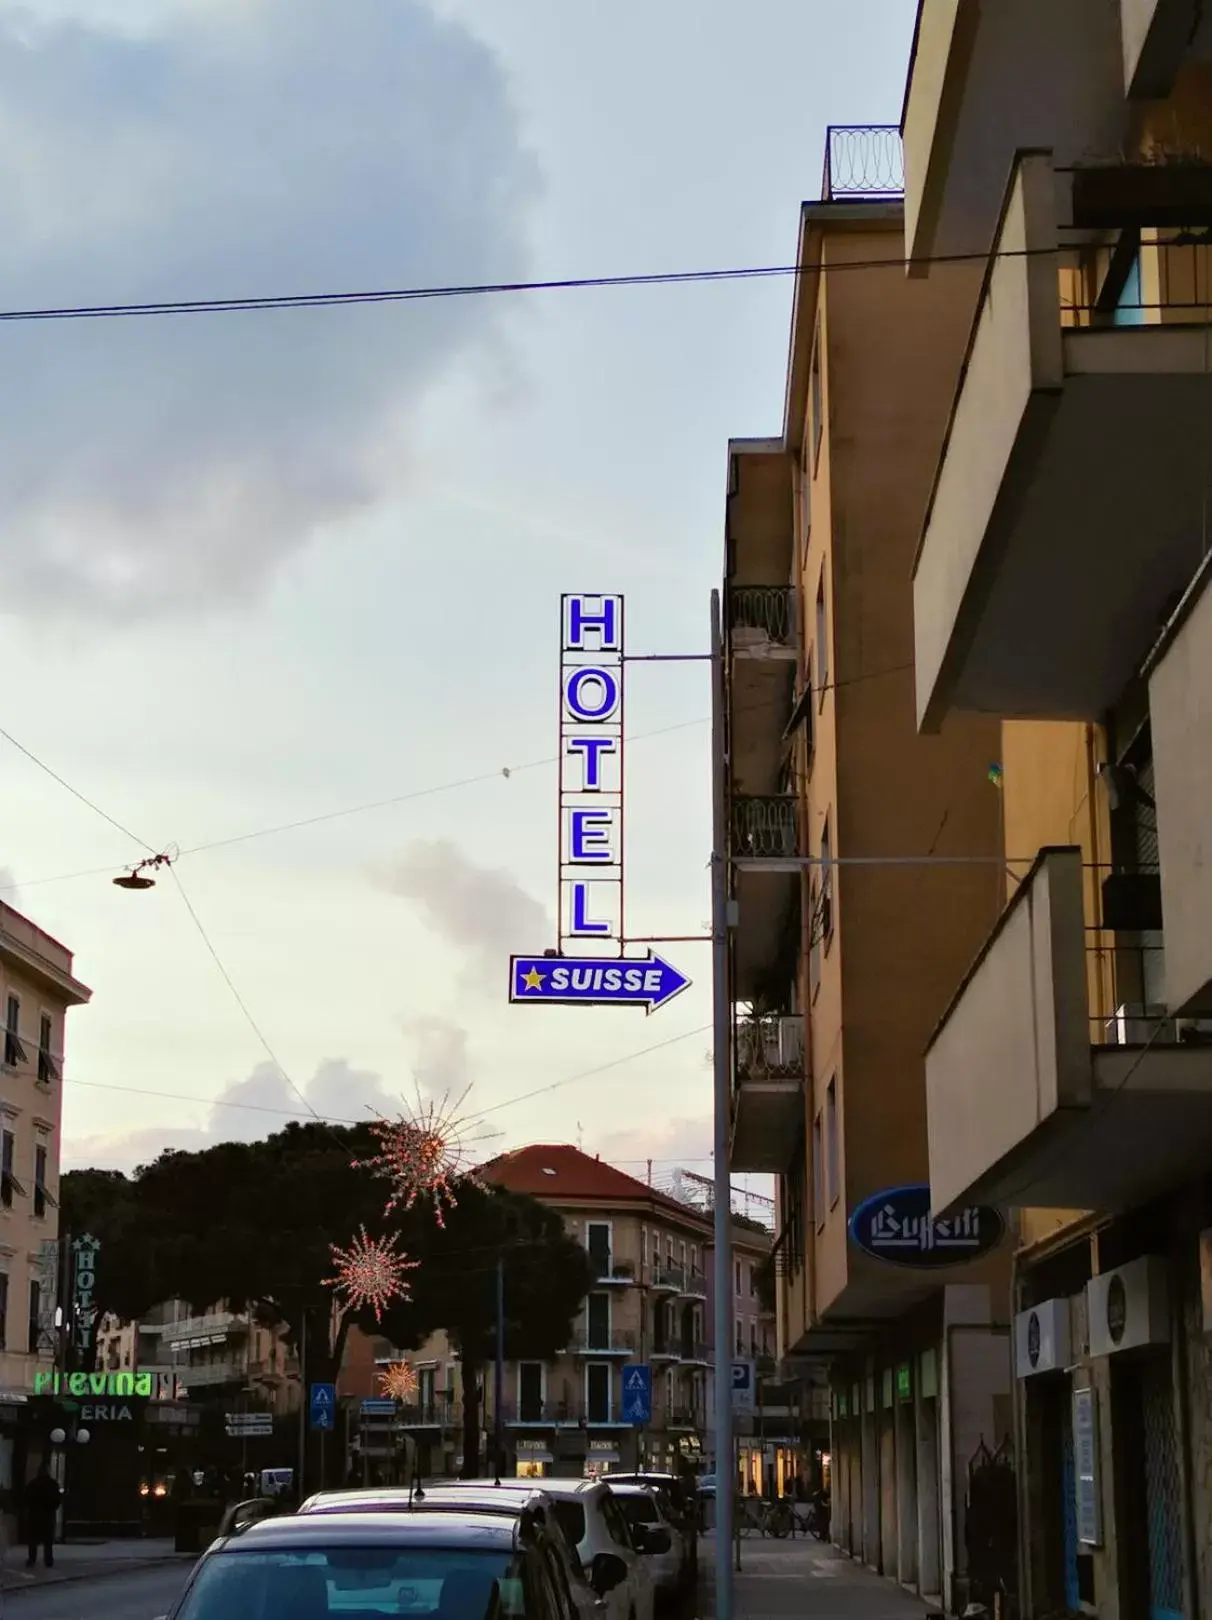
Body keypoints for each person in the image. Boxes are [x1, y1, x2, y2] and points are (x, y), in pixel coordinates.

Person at [24, 1464, 61, 1569]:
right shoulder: (52, 1484)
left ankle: (32, 1559)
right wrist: (51, 1508)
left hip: (35, 1515)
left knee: (33, 1540)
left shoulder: (33, 1484)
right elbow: (57, 1500)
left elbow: (26, 1498)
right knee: (48, 1541)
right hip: (48, 1516)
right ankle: (48, 1560)